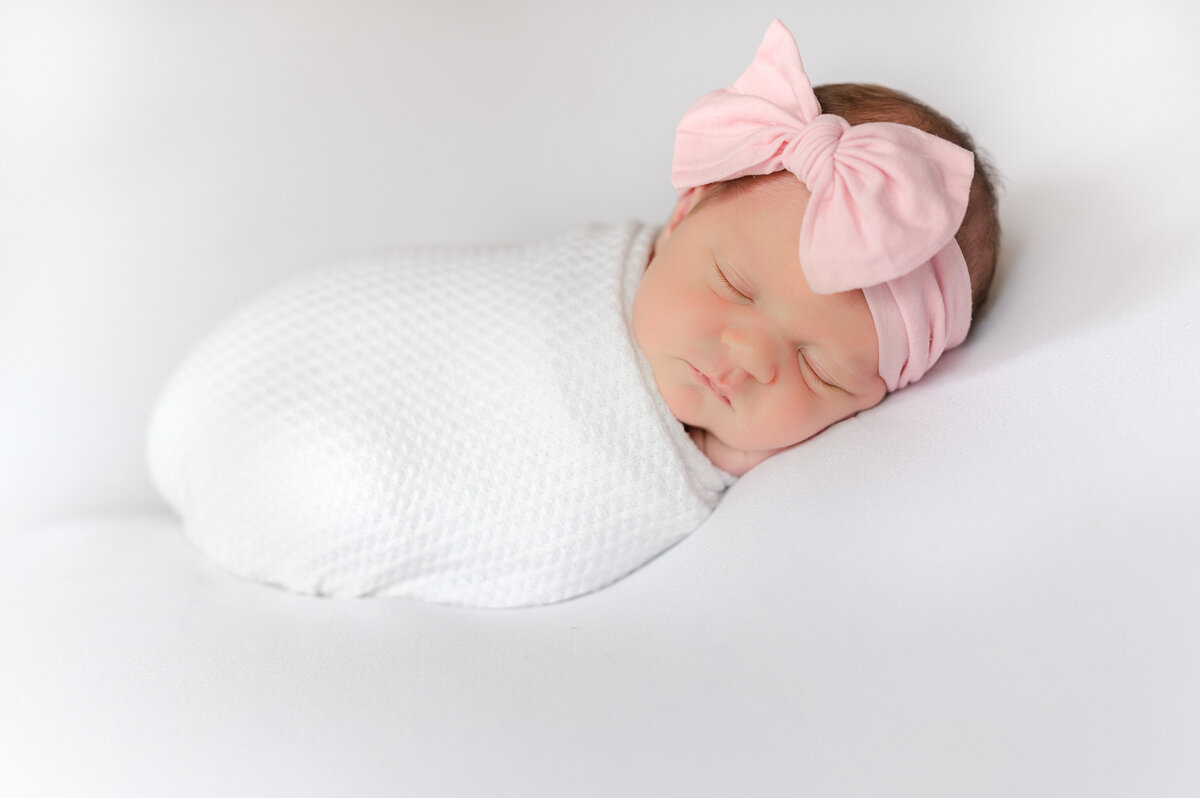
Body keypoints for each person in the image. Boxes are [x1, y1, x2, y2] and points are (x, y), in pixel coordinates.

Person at [633, 19, 1000, 475]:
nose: (751, 355)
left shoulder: (700, 478)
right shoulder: (591, 275)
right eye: (734, 285)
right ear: (683, 214)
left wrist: (711, 466)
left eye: (819, 374)